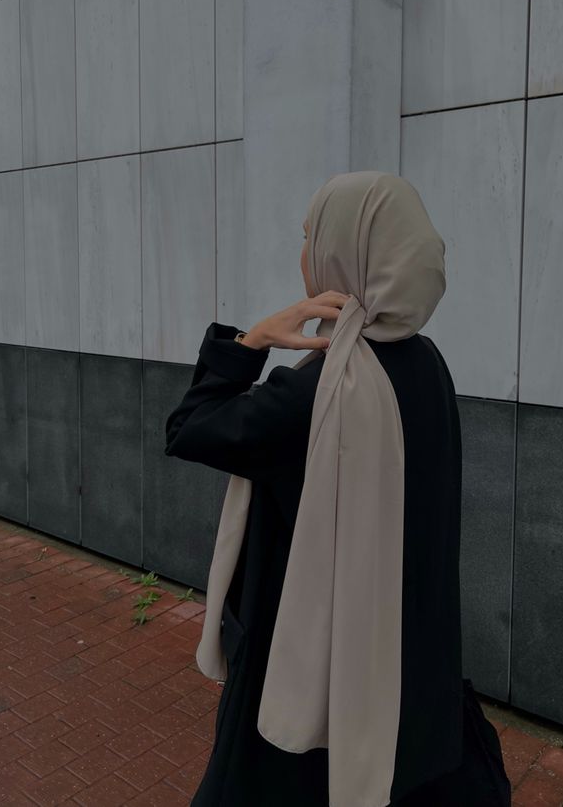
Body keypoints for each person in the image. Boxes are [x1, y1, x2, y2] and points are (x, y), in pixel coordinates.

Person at [164, 171, 510, 806]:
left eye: (308, 238)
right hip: (405, 650)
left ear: (344, 251)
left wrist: (253, 341)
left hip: (309, 652)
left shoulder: (318, 391)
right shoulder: (426, 362)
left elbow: (189, 428)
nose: (302, 256)